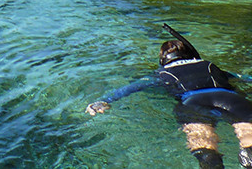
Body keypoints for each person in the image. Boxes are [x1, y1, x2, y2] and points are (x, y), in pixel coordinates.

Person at [86, 24, 252, 169]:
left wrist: (104, 100)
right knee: (248, 137)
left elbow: (131, 88)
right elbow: (246, 79)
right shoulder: (209, 65)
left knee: (206, 148)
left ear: (163, 60)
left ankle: (210, 162)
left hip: (192, 103)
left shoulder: (162, 74)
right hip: (230, 99)